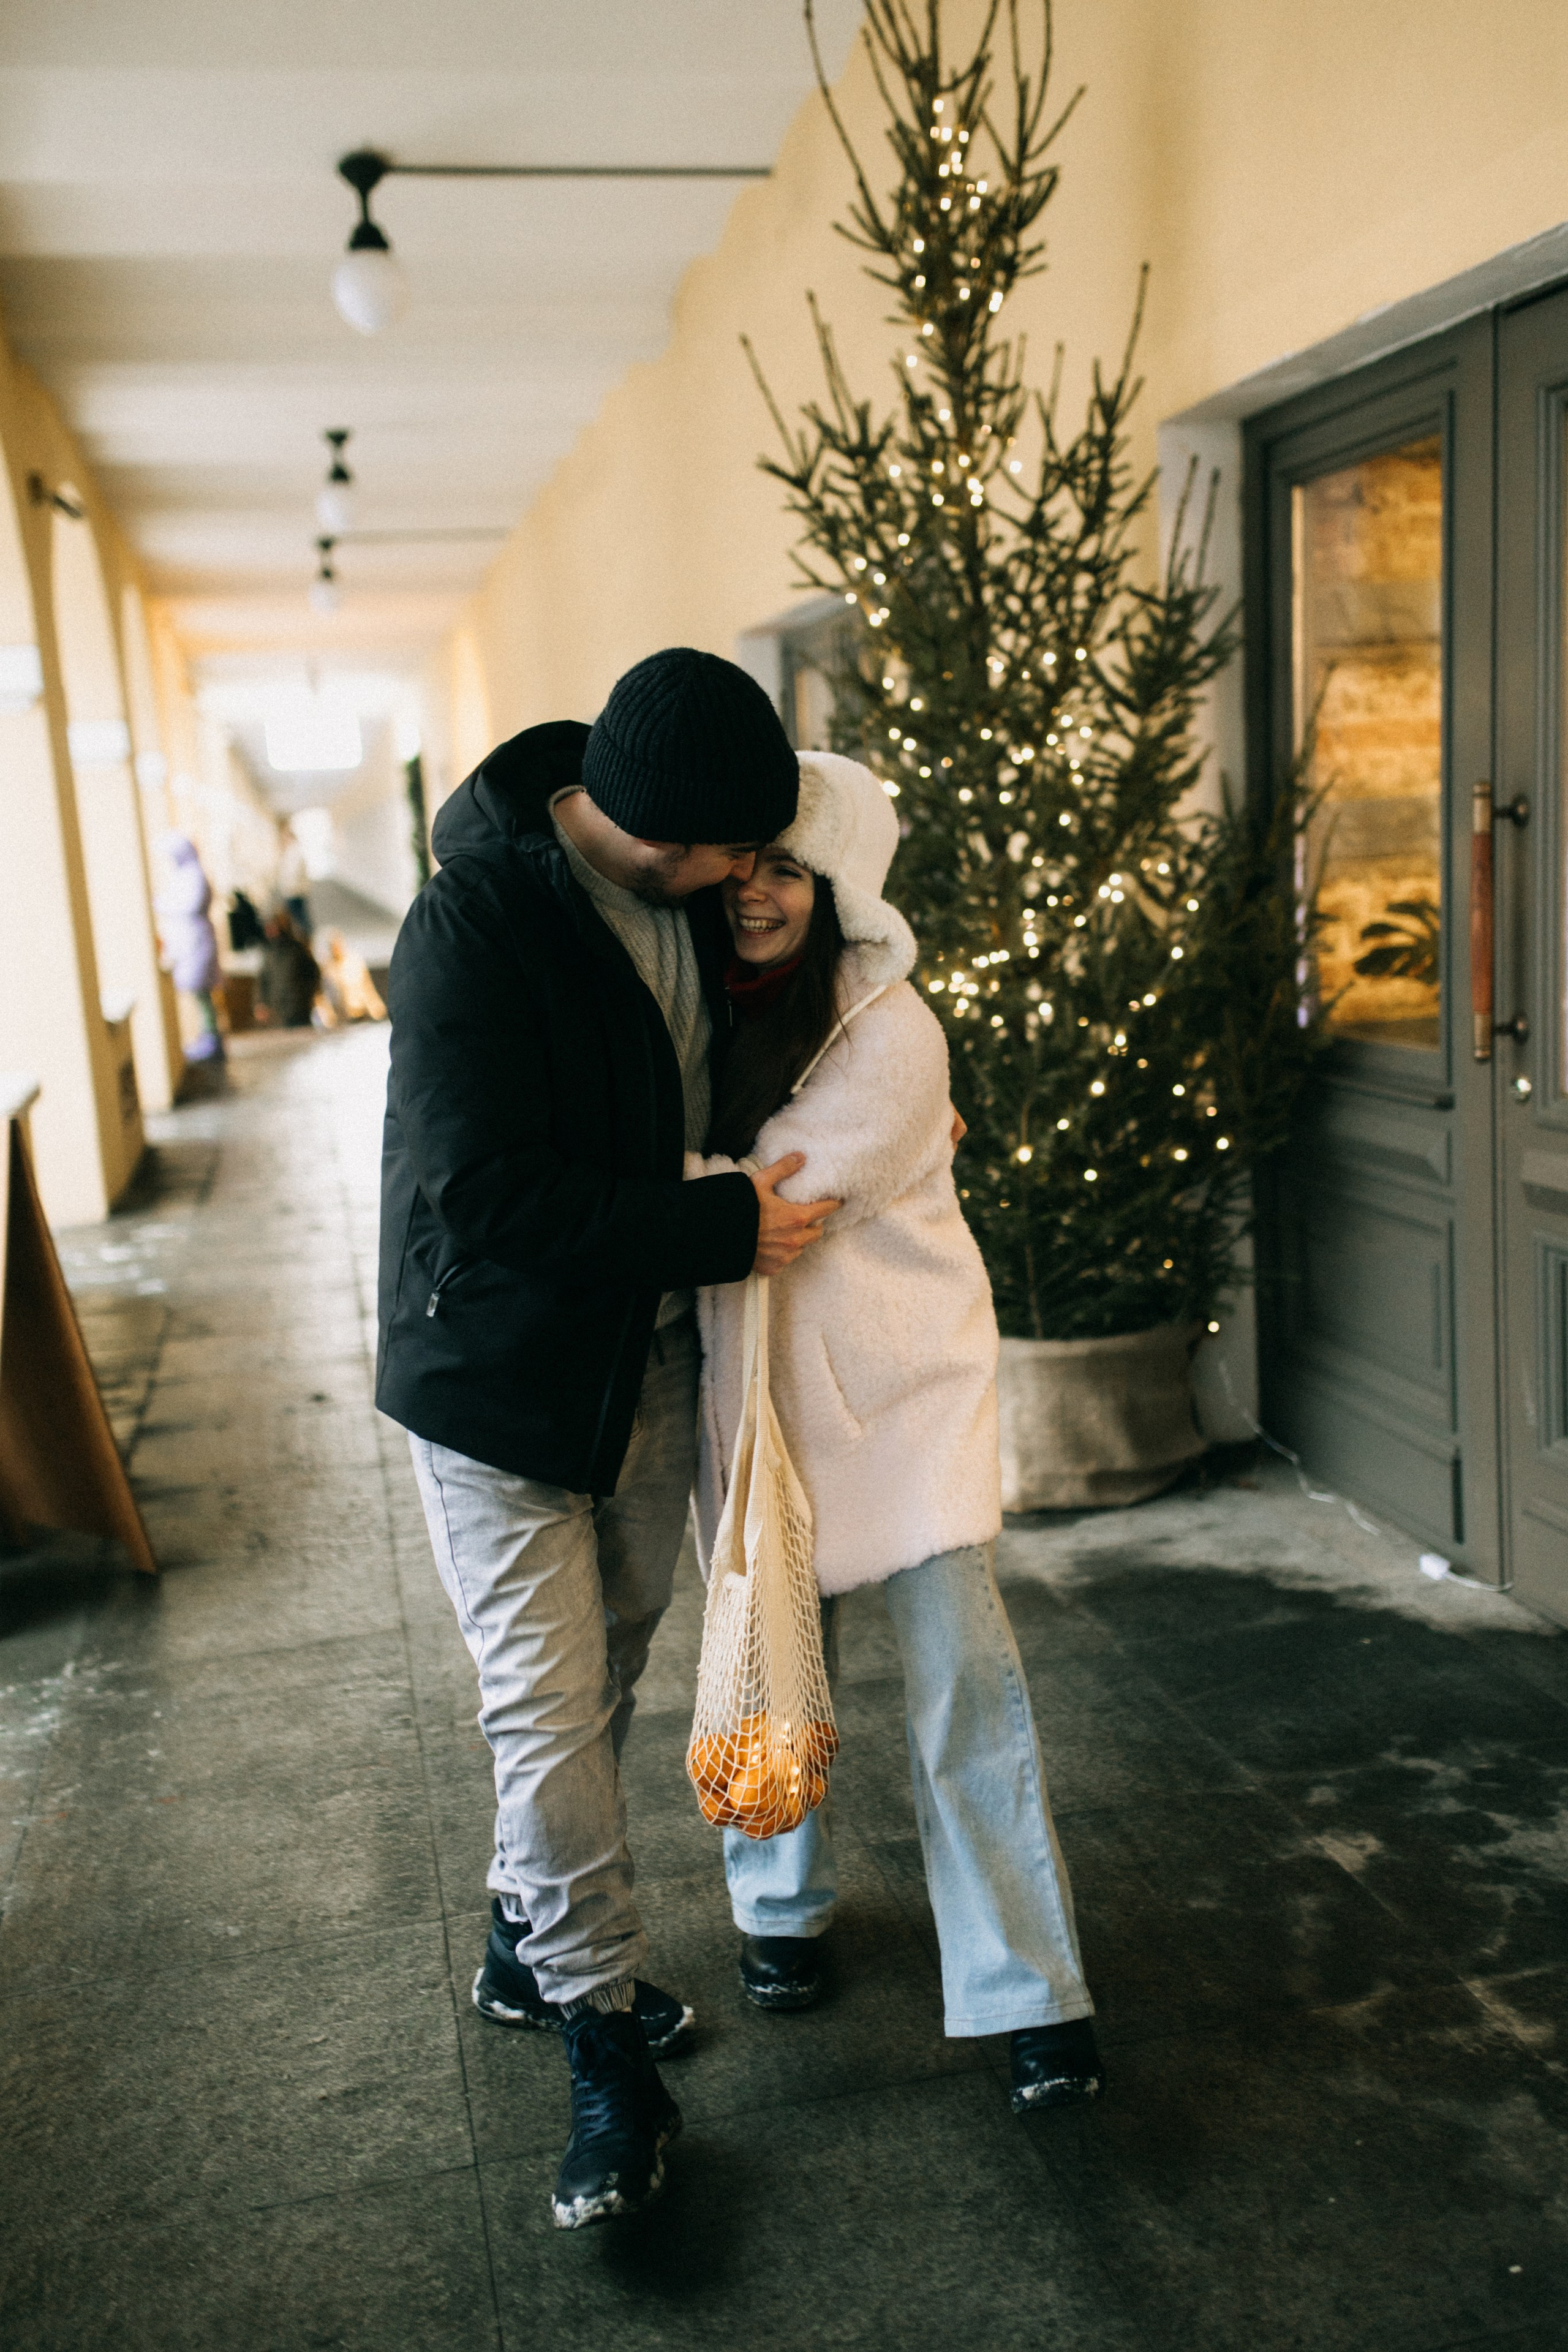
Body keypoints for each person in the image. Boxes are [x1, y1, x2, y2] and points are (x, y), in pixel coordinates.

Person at [376, 648, 841, 2230]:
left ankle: (528, 1944)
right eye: (737, 858)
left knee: (618, 1668)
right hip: (497, 1382)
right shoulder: (476, 927)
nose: (753, 883)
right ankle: (601, 2050)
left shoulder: (686, 875)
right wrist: (714, 1224)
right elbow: (481, 1197)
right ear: (668, 837)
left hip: (647, 1367)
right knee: (551, 1714)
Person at [690, 751, 1103, 2114]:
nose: (756, 891)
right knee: (766, 1669)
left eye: (790, 869)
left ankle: (1027, 1991)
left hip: (901, 1400)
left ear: (841, 886)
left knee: (962, 1697)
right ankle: (778, 1912)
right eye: (744, 860)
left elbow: (778, 1197)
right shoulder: (689, 1006)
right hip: (758, 1410)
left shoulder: (891, 1030)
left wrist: (660, 1182)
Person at [154, 832, 224, 1063]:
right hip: (190, 943)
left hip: (197, 942)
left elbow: (188, 904)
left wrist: (165, 905)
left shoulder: (195, 876)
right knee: (199, 994)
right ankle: (209, 1038)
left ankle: (212, 1039)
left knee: (202, 993)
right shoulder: (186, 875)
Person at [257, 911, 320, 1028]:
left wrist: (305, 996)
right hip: (277, 1010)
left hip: (299, 1008)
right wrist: (261, 1002)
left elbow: (313, 974)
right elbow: (263, 980)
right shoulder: (269, 954)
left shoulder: (297, 950)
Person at [276, 818, 311, 937]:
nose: (283, 839)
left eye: (284, 837)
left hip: (294, 892)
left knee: (300, 918)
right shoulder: (293, 852)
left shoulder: (293, 852)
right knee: (300, 917)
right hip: (296, 891)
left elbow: (291, 874)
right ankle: (306, 940)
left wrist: (286, 889)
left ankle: (307, 941)